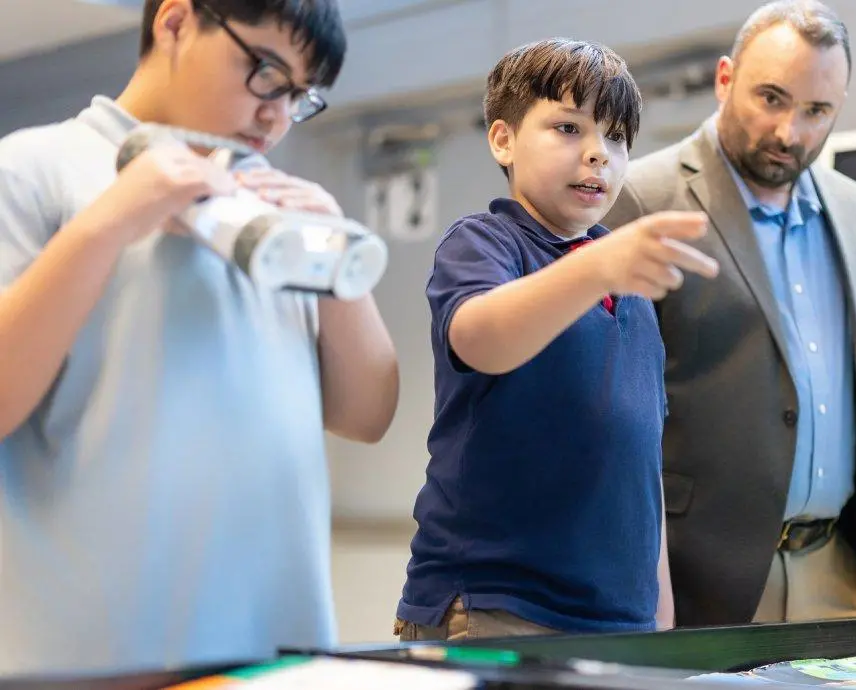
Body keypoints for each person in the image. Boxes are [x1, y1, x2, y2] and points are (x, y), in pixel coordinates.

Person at [0, 0, 399, 676]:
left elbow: (368, 415)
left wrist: (340, 266)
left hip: (275, 650)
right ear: (177, 22)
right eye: (268, 74)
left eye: (301, 96)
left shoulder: (273, 203)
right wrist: (112, 221)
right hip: (86, 657)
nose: (277, 112)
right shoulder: (36, 168)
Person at [602, 0, 856, 627]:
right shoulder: (643, 197)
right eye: (771, 99)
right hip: (689, 578)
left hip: (836, 575)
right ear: (726, 80)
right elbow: (607, 416)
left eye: (816, 111)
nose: (789, 132)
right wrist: (643, 584)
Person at [392, 37, 718, 641]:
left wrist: (659, 609)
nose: (598, 154)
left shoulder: (633, 289)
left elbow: (641, 457)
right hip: (495, 609)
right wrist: (598, 267)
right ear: (503, 140)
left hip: (623, 623)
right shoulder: (486, 243)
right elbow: (481, 337)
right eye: (569, 128)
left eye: (616, 138)